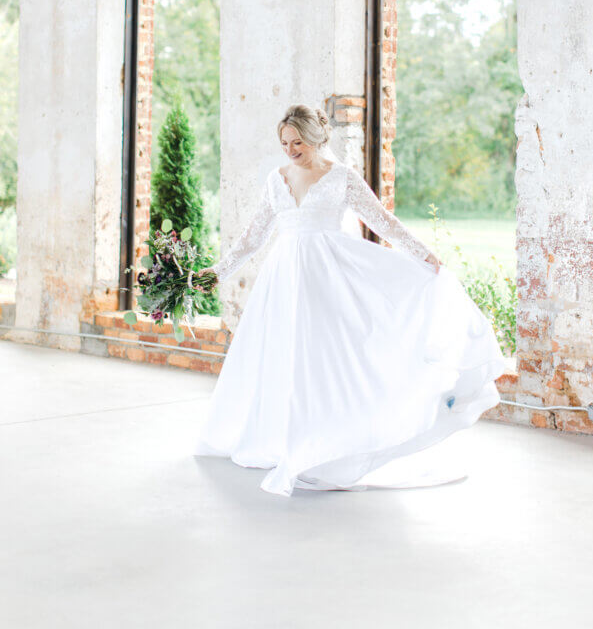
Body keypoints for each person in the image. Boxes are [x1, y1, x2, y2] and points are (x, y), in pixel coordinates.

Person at [193, 103, 507, 496]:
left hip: (327, 278)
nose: (291, 150)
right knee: (282, 356)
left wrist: (423, 255)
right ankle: (282, 441)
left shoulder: (341, 177)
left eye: (298, 142)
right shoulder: (277, 179)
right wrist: (215, 273)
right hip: (283, 279)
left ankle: (327, 444)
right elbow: (252, 238)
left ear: (317, 137)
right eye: (285, 143)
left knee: (325, 361)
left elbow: (382, 221)